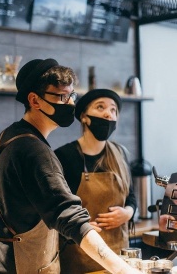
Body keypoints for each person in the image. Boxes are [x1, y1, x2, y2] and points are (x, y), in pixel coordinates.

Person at [0, 59, 141, 274]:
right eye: (62, 97)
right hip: (22, 266)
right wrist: (123, 270)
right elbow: (69, 216)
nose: (70, 103)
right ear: (35, 100)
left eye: (72, 95)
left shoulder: (4, 139)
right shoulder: (35, 151)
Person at [54, 88, 137, 273]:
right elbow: (54, 210)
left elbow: (131, 196)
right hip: (80, 257)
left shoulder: (120, 154)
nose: (108, 113)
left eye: (114, 110)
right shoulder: (64, 156)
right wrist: (77, 229)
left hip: (119, 257)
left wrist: (128, 213)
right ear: (84, 116)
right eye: (101, 107)